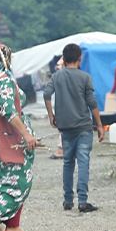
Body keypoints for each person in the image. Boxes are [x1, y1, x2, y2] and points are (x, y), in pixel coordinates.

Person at [0, 43, 41, 231]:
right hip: (8, 140)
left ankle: (13, 227)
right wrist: (27, 134)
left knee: (2, 183)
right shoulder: (4, 81)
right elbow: (9, 112)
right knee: (19, 182)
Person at [44, 43, 106, 213]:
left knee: (68, 162)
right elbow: (92, 102)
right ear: (80, 58)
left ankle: (67, 200)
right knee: (83, 161)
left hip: (65, 127)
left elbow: (46, 94)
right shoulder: (85, 77)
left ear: (63, 59)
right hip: (83, 127)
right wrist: (99, 125)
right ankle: (83, 201)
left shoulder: (56, 77)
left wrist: (51, 115)